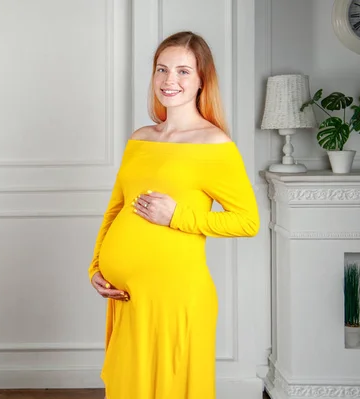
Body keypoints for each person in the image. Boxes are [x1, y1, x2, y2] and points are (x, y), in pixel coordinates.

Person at [87, 31, 260, 398]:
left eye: (183, 71)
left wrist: (177, 216)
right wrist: (96, 267)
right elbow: (115, 207)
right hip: (128, 297)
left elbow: (247, 221)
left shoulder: (215, 145)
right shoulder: (141, 138)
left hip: (175, 296)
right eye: (162, 69)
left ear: (201, 80)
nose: (170, 80)